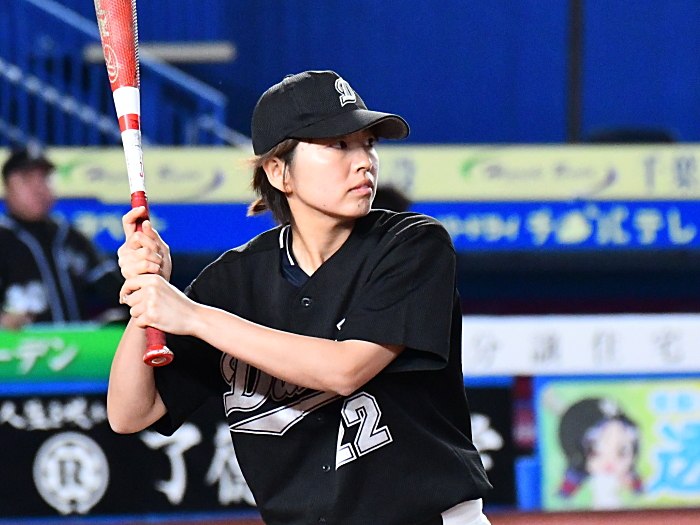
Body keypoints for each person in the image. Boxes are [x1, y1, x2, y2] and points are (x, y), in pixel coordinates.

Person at [110, 70, 492, 525]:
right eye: (338, 144)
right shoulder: (233, 282)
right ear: (278, 171)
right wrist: (148, 295)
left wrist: (193, 316)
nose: (364, 161)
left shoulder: (411, 245)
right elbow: (130, 414)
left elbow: (345, 370)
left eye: (368, 143)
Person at [0, 147, 126, 330]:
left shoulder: (69, 236)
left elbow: (116, 289)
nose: (38, 189)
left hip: (76, 345)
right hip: (21, 346)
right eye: (27, 180)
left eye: (44, 179)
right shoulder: (3, 237)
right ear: (7, 187)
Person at [558, 397, 642, 509]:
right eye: (595, 451)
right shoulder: (586, 479)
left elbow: (640, 492)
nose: (609, 461)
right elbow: (562, 498)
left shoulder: (624, 477)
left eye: (622, 452)